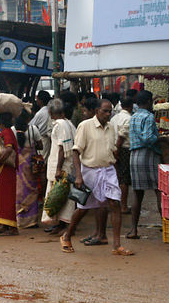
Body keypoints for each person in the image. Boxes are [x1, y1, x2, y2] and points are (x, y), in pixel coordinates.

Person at [60, 99, 133, 256]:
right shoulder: (85, 126)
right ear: (96, 110)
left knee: (114, 203)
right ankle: (67, 236)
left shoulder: (112, 127)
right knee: (83, 208)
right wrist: (79, 176)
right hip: (90, 172)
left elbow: (113, 148)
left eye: (110, 111)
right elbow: (75, 152)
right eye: (105, 111)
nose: (108, 114)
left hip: (108, 171)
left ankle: (117, 246)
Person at [127, 91, 169, 239]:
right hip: (148, 155)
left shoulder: (133, 117)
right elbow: (147, 138)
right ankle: (167, 228)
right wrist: (163, 139)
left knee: (137, 194)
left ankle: (133, 230)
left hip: (134, 156)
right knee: (159, 190)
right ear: (147, 101)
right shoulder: (149, 116)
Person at [43, 99, 77, 234]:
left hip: (62, 166)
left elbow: (62, 148)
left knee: (63, 195)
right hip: (63, 165)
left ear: (50, 113)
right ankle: (60, 224)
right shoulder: (67, 123)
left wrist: (58, 169)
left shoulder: (60, 125)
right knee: (59, 194)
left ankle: (66, 225)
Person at [14, 110, 43, 230]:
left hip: (18, 166)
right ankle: (32, 221)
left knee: (18, 192)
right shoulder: (33, 129)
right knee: (32, 191)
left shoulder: (12, 130)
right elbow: (40, 145)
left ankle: (19, 219)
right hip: (30, 167)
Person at [110, 95, 134, 214]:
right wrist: (117, 151)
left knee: (117, 177)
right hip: (123, 149)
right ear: (130, 106)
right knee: (124, 179)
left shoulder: (115, 118)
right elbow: (121, 136)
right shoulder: (128, 118)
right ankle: (123, 206)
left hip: (114, 148)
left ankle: (117, 203)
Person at [30, 90, 52, 157]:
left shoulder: (41, 113)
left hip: (42, 139)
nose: (36, 100)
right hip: (46, 139)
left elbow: (31, 125)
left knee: (42, 160)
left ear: (41, 100)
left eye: (38, 99)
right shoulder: (48, 110)